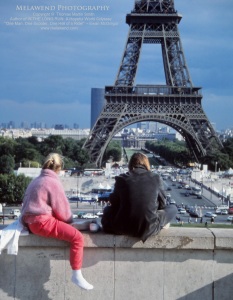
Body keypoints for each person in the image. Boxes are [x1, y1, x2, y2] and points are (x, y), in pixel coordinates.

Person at [20, 153, 93, 290]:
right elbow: (63, 210)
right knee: (77, 237)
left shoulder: (36, 180)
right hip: (42, 222)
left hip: (31, 222)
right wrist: (70, 222)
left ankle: (76, 275)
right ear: (59, 168)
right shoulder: (53, 182)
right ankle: (76, 274)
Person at [101, 152, 177, 242]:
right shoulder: (156, 178)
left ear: (130, 164)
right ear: (146, 164)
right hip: (149, 227)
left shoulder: (121, 179)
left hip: (122, 226)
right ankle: (161, 223)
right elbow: (162, 204)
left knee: (107, 209)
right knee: (173, 208)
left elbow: (114, 204)